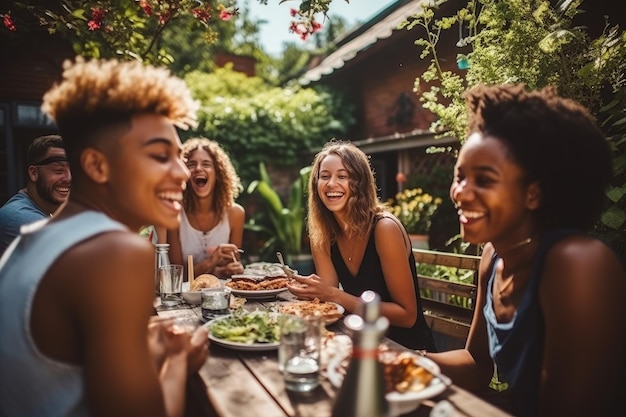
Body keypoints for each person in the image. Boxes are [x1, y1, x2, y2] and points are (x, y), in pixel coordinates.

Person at [0, 57, 208, 417]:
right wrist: (176, 362)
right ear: (97, 166)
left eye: (179, 156)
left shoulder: (36, 237)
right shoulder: (115, 252)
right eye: (160, 156)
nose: (183, 174)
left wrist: (151, 347)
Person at [424, 84, 626, 417]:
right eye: (460, 176)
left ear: (532, 194)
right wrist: (392, 358)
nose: (461, 193)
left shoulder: (578, 263)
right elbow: (476, 364)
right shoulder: (493, 257)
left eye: (484, 180)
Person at [287, 140, 436, 351]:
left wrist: (333, 295)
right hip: (357, 342)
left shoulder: (384, 228)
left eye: (342, 176)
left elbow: (407, 316)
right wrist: (310, 291)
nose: (331, 184)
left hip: (405, 350)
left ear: (360, 182)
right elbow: (326, 297)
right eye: (324, 176)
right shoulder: (322, 233)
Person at [160, 137, 245, 279]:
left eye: (206, 164)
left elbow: (230, 266)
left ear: (218, 174)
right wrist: (212, 261)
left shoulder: (235, 214)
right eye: (191, 164)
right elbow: (176, 275)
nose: (198, 168)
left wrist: (231, 269)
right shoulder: (174, 213)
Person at [0, 134, 71, 254]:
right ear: (34, 173)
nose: (68, 178)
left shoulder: (38, 210)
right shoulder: (21, 218)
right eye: (58, 170)